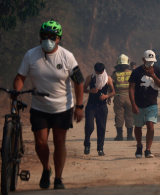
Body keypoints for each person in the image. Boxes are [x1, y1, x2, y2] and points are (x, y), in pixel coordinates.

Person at [13, 20, 84, 189]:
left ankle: (58, 179)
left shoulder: (67, 57)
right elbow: (20, 78)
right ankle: (46, 168)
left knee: (59, 142)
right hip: (39, 107)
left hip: (62, 107)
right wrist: (16, 91)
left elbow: (79, 81)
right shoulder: (31, 55)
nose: (48, 39)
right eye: (44, 36)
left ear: (58, 39)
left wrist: (79, 106)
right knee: (41, 143)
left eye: (52, 37)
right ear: (40, 38)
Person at [129, 50, 160, 158]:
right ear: (143, 60)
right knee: (138, 126)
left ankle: (148, 149)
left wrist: (153, 75)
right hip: (139, 103)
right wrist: (133, 104)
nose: (150, 63)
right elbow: (131, 88)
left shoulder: (157, 70)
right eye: (148, 61)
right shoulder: (136, 72)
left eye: (152, 61)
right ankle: (139, 146)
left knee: (150, 125)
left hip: (152, 103)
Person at [83, 63, 115, 156]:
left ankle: (100, 148)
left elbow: (113, 92)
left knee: (101, 128)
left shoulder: (108, 79)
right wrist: (90, 91)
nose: (99, 74)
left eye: (100, 72)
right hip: (91, 105)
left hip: (102, 106)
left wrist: (106, 96)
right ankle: (87, 144)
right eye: (97, 72)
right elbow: (83, 89)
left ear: (103, 71)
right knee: (89, 126)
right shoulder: (90, 78)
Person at [111, 54, 134, 141]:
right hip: (130, 97)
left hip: (118, 97)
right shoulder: (131, 73)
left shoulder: (115, 74)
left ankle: (119, 136)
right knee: (130, 116)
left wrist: (109, 96)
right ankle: (130, 136)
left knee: (119, 116)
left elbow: (111, 86)